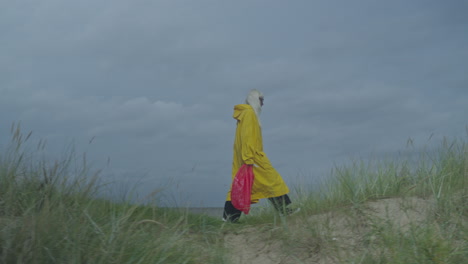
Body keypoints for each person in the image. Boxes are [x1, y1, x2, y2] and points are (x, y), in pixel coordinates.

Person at [223, 89, 298, 222]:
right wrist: (249, 159)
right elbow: (247, 137)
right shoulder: (249, 113)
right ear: (254, 100)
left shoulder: (245, 114)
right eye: (261, 100)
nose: (263, 104)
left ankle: (229, 219)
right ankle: (285, 211)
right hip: (252, 157)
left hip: (247, 157)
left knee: (240, 186)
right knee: (272, 180)